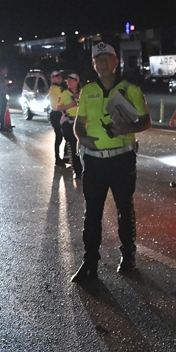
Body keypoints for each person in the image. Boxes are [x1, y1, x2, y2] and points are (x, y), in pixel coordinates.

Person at [72, 42, 149, 281]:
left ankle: (128, 255)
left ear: (116, 62)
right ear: (93, 65)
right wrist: (82, 139)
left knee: (124, 208)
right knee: (92, 212)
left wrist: (128, 127)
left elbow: (145, 121)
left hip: (122, 159)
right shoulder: (87, 91)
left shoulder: (130, 89)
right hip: (94, 161)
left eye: (107, 59)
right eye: (98, 60)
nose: (103, 64)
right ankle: (89, 261)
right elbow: (78, 123)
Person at [60, 72, 81, 180]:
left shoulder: (82, 93)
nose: (69, 82)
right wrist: (70, 105)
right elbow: (57, 107)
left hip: (81, 121)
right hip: (69, 122)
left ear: (77, 82)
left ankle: (83, 168)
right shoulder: (64, 93)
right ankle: (77, 170)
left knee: (82, 146)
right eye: (68, 80)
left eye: (71, 80)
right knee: (73, 147)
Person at [48, 71, 68, 165]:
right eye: (56, 76)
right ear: (52, 78)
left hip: (56, 114)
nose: (59, 77)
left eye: (60, 76)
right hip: (57, 114)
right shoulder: (57, 89)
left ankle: (63, 157)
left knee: (62, 136)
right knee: (60, 136)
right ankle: (59, 158)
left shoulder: (54, 88)